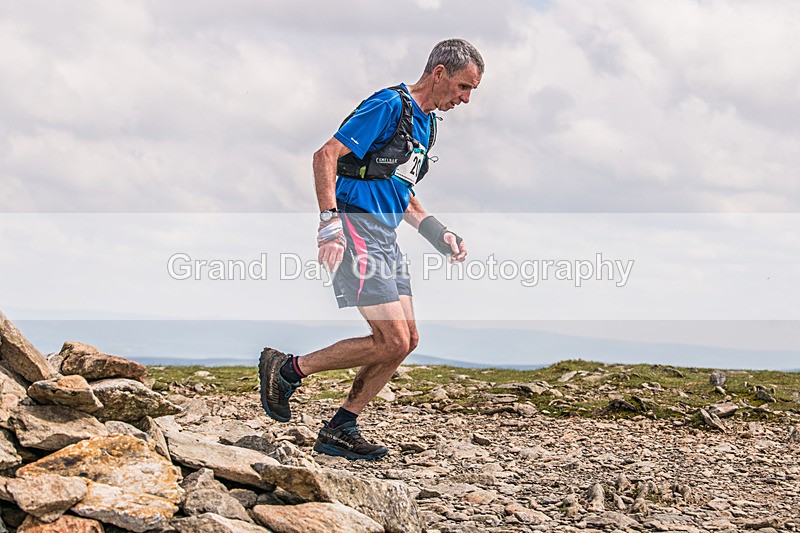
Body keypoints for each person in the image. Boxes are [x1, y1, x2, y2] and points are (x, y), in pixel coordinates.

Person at [259, 38, 484, 460]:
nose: (466, 99)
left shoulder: (428, 126)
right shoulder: (388, 106)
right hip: (354, 227)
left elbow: (404, 195)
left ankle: (341, 427)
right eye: (462, 87)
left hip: (385, 236)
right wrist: (329, 223)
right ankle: (288, 369)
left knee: (408, 339)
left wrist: (439, 233)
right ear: (439, 74)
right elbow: (325, 155)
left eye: (471, 91)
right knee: (392, 338)